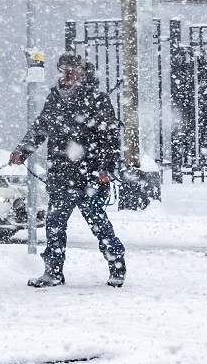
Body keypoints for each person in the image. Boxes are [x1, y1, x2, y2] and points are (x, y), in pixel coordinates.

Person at [9, 53, 126, 287]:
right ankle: (53, 272)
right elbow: (40, 128)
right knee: (54, 224)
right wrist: (22, 151)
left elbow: (109, 137)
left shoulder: (97, 99)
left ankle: (117, 267)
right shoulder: (54, 98)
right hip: (61, 173)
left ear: (82, 73)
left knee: (98, 223)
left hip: (90, 175)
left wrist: (105, 168)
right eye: (63, 70)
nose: (67, 75)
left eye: (72, 70)